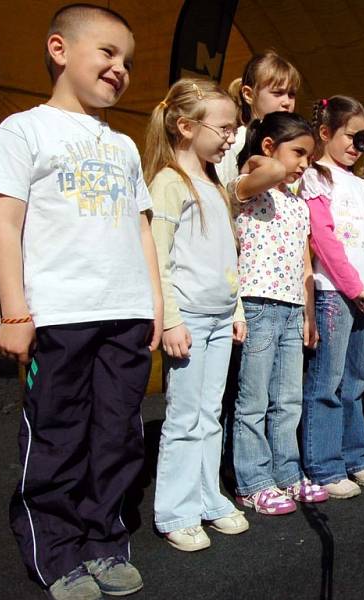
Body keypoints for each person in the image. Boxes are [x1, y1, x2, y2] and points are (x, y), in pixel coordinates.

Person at [0, 5, 162, 598]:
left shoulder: (124, 146)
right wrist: (14, 313)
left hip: (126, 313)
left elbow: (141, 230)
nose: (120, 69)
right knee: (57, 436)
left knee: (117, 436)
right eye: (108, 53)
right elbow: (5, 221)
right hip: (61, 316)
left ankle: (105, 542)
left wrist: (155, 306)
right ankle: (56, 551)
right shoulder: (25, 129)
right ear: (60, 49)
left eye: (128, 62)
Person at [146, 78, 249, 551]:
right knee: (185, 417)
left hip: (219, 316)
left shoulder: (213, 184)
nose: (231, 137)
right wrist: (169, 319)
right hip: (188, 317)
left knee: (211, 413)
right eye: (224, 128)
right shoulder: (168, 183)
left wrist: (238, 308)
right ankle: (176, 509)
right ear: (186, 126)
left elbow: (228, 256)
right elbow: (160, 257)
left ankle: (209, 497)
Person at [228, 111, 329, 514]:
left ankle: (287, 473)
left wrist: (309, 314)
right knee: (253, 400)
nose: (304, 164)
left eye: (309, 155)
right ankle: (252, 480)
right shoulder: (249, 186)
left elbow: (305, 264)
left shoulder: (297, 204)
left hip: (290, 308)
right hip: (257, 303)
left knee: (288, 399)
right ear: (269, 147)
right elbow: (264, 171)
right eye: (299, 153)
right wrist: (263, 157)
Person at [299, 95, 364, 499]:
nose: (357, 146)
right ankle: (324, 463)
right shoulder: (315, 177)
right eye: (351, 137)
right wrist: (355, 287)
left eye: (363, 139)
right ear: (325, 133)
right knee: (328, 380)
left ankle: (356, 455)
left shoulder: (362, 185)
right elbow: (324, 238)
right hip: (334, 293)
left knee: (357, 378)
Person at [216, 50, 301, 185]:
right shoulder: (234, 143)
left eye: (291, 95)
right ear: (249, 94)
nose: (286, 102)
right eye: (277, 93)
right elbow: (224, 192)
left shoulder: (294, 146)